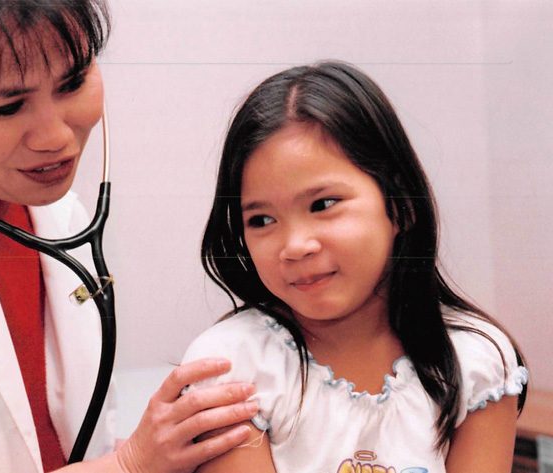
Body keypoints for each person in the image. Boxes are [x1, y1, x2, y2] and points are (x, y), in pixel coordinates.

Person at [0, 1, 258, 472]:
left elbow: (65, 439)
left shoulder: (58, 214)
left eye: (73, 82)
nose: (55, 137)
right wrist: (130, 464)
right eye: (8, 107)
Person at [182, 61, 529, 473]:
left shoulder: (475, 360)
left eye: (323, 204)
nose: (295, 246)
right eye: (262, 220)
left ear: (400, 204)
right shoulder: (232, 367)